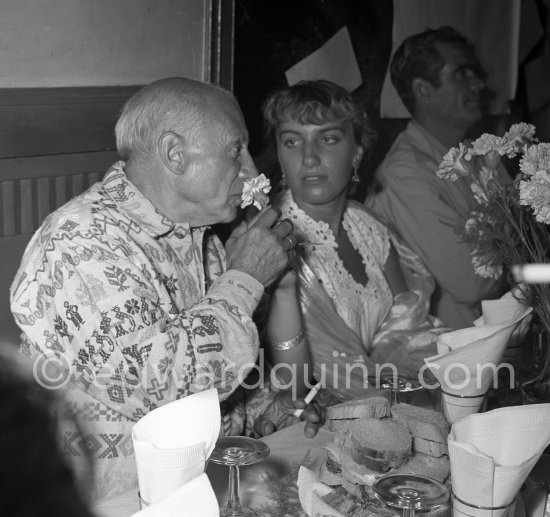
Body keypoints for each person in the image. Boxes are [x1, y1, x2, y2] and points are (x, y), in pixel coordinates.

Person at [10, 77, 322, 500]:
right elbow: (162, 390)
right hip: (101, 501)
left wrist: (263, 409)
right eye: (235, 151)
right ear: (175, 154)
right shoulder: (77, 242)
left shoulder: (203, 240)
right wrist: (245, 278)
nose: (251, 170)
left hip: (192, 490)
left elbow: (209, 366)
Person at [261, 80, 447, 402]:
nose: (309, 158)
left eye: (328, 139)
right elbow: (289, 385)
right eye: (292, 141)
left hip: (382, 406)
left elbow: (406, 329)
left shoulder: (368, 228)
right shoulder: (268, 240)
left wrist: (397, 389)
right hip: (301, 419)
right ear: (279, 155)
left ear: (357, 152)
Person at [365, 26, 508, 329]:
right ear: (423, 90)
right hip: (446, 361)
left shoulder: (477, 152)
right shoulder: (405, 174)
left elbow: (531, 236)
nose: (479, 83)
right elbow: (475, 282)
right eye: (461, 74)